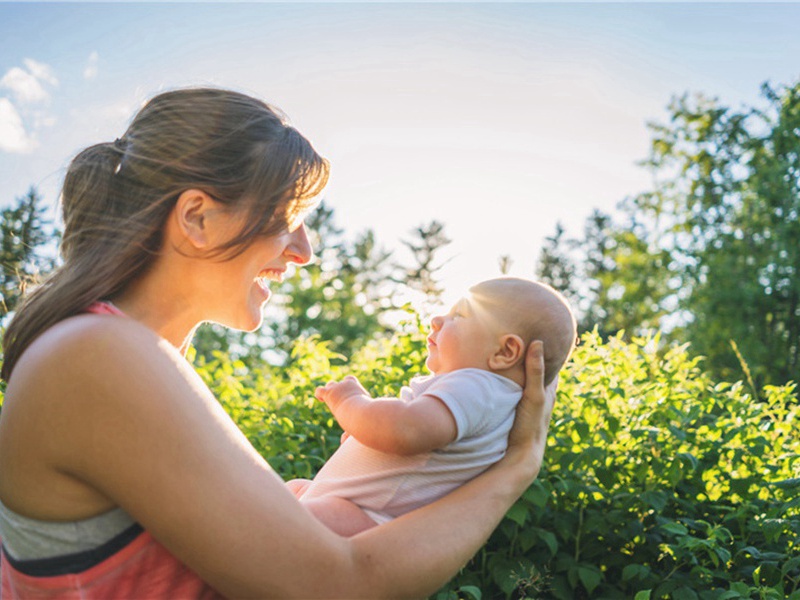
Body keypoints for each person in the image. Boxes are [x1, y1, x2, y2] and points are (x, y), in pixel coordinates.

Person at [0, 87, 557, 599]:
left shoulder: (116, 355)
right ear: (197, 217)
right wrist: (514, 471)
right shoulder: (99, 356)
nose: (304, 249)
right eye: (290, 215)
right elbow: (339, 589)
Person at [288, 277, 575, 536]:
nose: (437, 319)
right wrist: (366, 435)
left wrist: (350, 403)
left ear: (504, 352)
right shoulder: (486, 399)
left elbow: (404, 429)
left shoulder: (479, 386)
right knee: (292, 491)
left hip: (362, 518)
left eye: (458, 316)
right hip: (349, 507)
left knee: (283, 519)